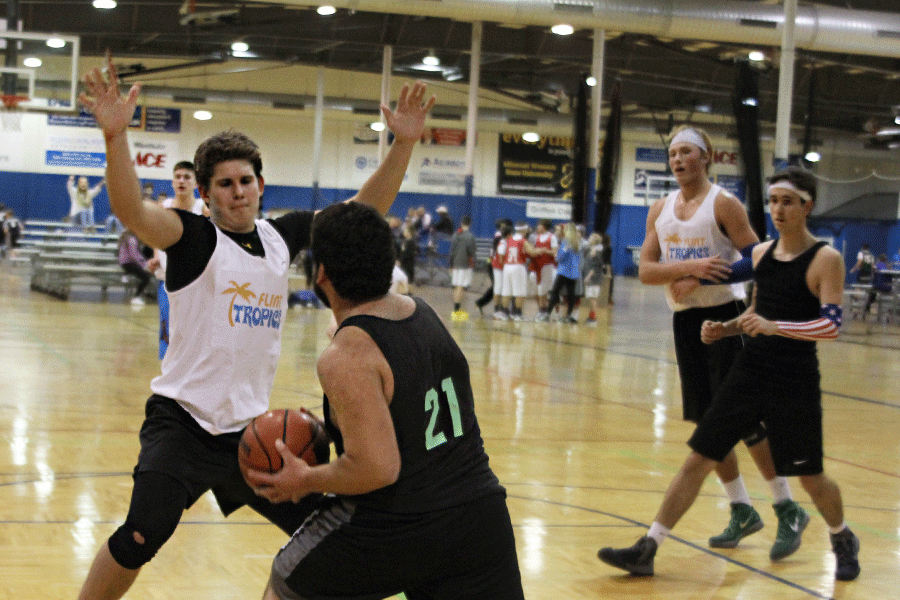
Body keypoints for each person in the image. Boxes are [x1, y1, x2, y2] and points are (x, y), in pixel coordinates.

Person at [75, 55, 434, 600]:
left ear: (260, 184)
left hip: (252, 435)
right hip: (183, 424)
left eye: (245, 180)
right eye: (224, 184)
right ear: (206, 193)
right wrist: (114, 136)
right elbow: (131, 208)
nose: (237, 191)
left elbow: (362, 213)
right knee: (142, 533)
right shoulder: (192, 238)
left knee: (334, 531)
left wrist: (402, 144)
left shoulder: (279, 237)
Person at [246, 201, 525, 600]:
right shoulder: (424, 314)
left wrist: (305, 478)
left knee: (285, 581)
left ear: (320, 272)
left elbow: (377, 468)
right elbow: (405, 404)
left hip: (397, 525)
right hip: (479, 520)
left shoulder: (346, 356)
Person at [599, 166, 860, 582]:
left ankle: (841, 536)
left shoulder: (826, 259)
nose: (778, 209)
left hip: (794, 377)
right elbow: (753, 306)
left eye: (788, 201)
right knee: (699, 457)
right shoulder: (761, 255)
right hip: (749, 371)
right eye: (773, 201)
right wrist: (726, 326)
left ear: (807, 206)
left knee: (810, 476)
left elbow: (830, 326)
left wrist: (779, 328)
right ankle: (648, 547)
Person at [628, 125, 804, 558]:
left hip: (725, 318)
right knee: (708, 421)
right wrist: (685, 275)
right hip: (686, 323)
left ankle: (785, 506)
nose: (677, 160)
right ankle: (742, 508)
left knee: (741, 420)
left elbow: (759, 258)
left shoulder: (723, 203)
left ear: (705, 157)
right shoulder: (660, 209)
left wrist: (707, 274)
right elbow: (647, 270)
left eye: (686, 152)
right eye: (672, 154)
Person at [145, 160, 204, 359]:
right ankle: (168, 370)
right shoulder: (164, 207)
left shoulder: (203, 209)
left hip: (195, 283)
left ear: (195, 184)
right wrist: (156, 257)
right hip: (168, 281)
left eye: (187, 177)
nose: (182, 181)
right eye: (178, 177)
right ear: (172, 182)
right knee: (167, 326)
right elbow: (154, 234)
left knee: (193, 330)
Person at [542, 222, 581, 323]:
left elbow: (561, 256)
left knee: (555, 291)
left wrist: (556, 256)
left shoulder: (566, 242)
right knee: (571, 295)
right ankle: (568, 316)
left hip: (564, 271)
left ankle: (547, 314)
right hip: (574, 272)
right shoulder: (577, 243)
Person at [530, 219, 558, 321]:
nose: (537, 227)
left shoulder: (552, 237)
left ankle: (543, 311)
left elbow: (555, 252)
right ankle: (541, 309)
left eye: (539, 225)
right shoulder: (534, 237)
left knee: (543, 289)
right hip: (535, 266)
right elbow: (530, 250)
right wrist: (535, 251)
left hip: (547, 266)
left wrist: (546, 251)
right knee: (536, 290)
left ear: (544, 226)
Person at [449, 214, 476, 321]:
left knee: (456, 286)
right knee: (460, 286)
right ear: (470, 224)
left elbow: (451, 250)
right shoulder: (470, 236)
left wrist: (451, 264)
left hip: (455, 263)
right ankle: (457, 309)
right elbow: (472, 251)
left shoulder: (455, 234)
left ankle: (456, 308)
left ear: (461, 223)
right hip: (465, 264)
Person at [118, 228, 153, 306]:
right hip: (128, 263)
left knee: (145, 275)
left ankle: (126, 275)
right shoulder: (132, 240)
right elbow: (135, 255)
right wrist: (144, 264)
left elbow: (136, 255)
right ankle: (136, 297)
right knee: (146, 277)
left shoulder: (129, 238)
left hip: (126, 263)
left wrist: (144, 263)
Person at [583, 232, 604, 324]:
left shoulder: (597, 252)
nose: (589, 238)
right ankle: (591, 316)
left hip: (594, 278)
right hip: (590, 277)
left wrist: (588, 276)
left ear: (595, 241)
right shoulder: (591, 250)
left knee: (592, 298)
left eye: (591, 237)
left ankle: (594, 318)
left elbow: (595, 266)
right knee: (590, 297)